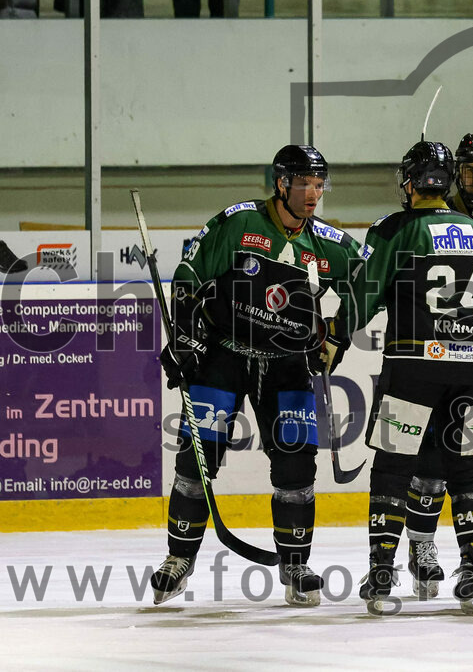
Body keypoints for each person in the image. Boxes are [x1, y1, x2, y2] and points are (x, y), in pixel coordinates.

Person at [148, 144, 362, 607]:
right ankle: (178, 559)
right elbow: (188, 275)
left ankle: (295, 564)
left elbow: (371, 280)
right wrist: (185, 340)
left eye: (319, 184)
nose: (313, 193)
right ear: (281, 183)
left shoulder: (328, 243)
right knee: (196, 459)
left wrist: (336, 336)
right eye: (304, 183)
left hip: (286, 366)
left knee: (296, 462)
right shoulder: (239, 221)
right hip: (223, 357)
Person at [342, 140, 473, 616]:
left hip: (415, 364)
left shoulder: (393, 229)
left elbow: (363, 296)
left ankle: (383, 571)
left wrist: (331, 334)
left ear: (411, 181)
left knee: (393, 464)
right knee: (467, 467)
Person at [404, 131, 473, 598]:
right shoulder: (435, 215)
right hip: (451, 354)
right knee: (433, 458)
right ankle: (423, 546)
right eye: (469, 169)